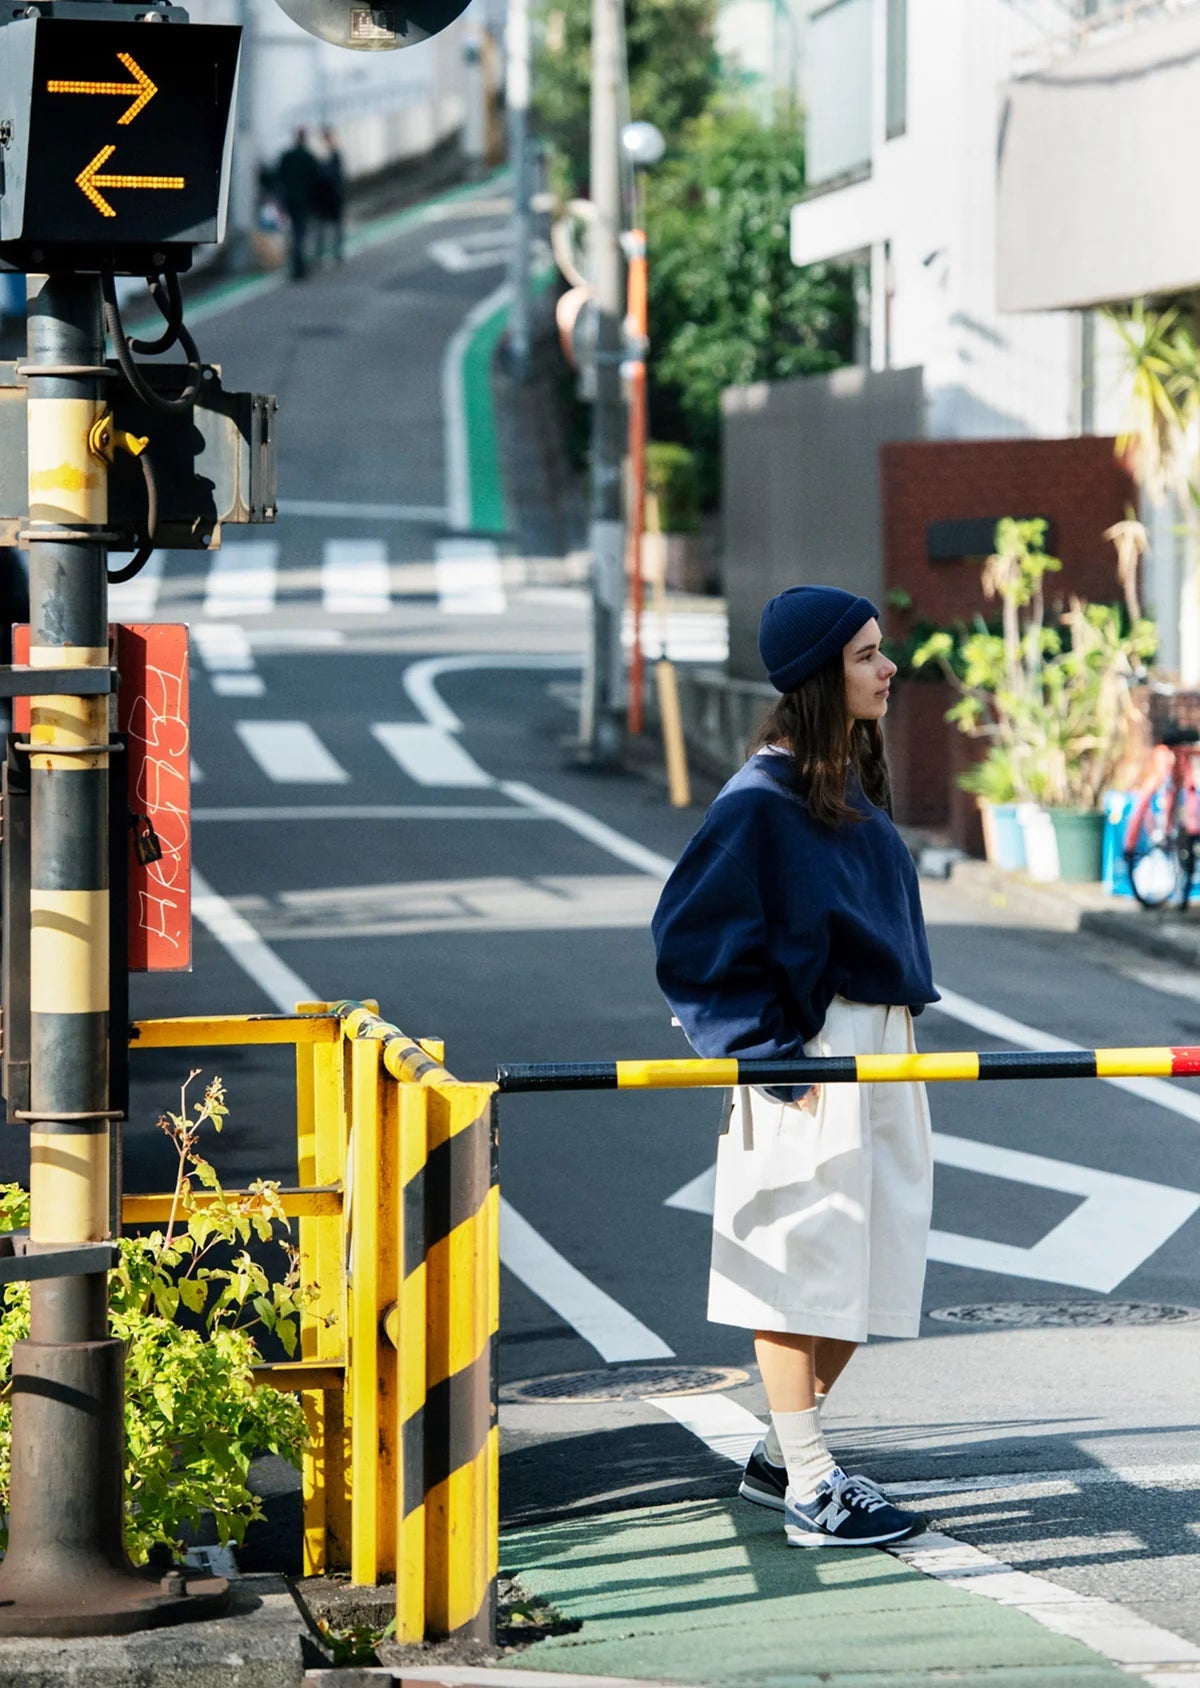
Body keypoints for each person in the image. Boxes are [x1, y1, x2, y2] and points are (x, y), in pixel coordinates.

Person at [651, 584, 939, 1549]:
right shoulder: (762, 800)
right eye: (864, 655)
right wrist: (768, 1060)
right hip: (811, 1057)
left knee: (870, 1271)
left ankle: (785, 1457)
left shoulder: (838, 783)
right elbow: (688, 942)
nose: (886, 666)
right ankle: (812, 1481)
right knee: (800, 1265)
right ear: (821, 676)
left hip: (882, 1054)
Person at [274, 127, 322, 281]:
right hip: (304, 201)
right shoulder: (308, 157)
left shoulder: (287, 156)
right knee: (300, 233)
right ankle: (300, 268)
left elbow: (278, 177)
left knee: (294, 233)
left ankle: (295, 266)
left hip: (290, 200)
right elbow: (318, 178)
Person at [313, 127, 346, 266]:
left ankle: (336, 254)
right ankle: (324, 255)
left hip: (331, 197)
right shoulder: (326, 155)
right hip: (327, 198)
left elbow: (333, 175)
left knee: (332, 227)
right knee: (325, 228)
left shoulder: (334, 154)